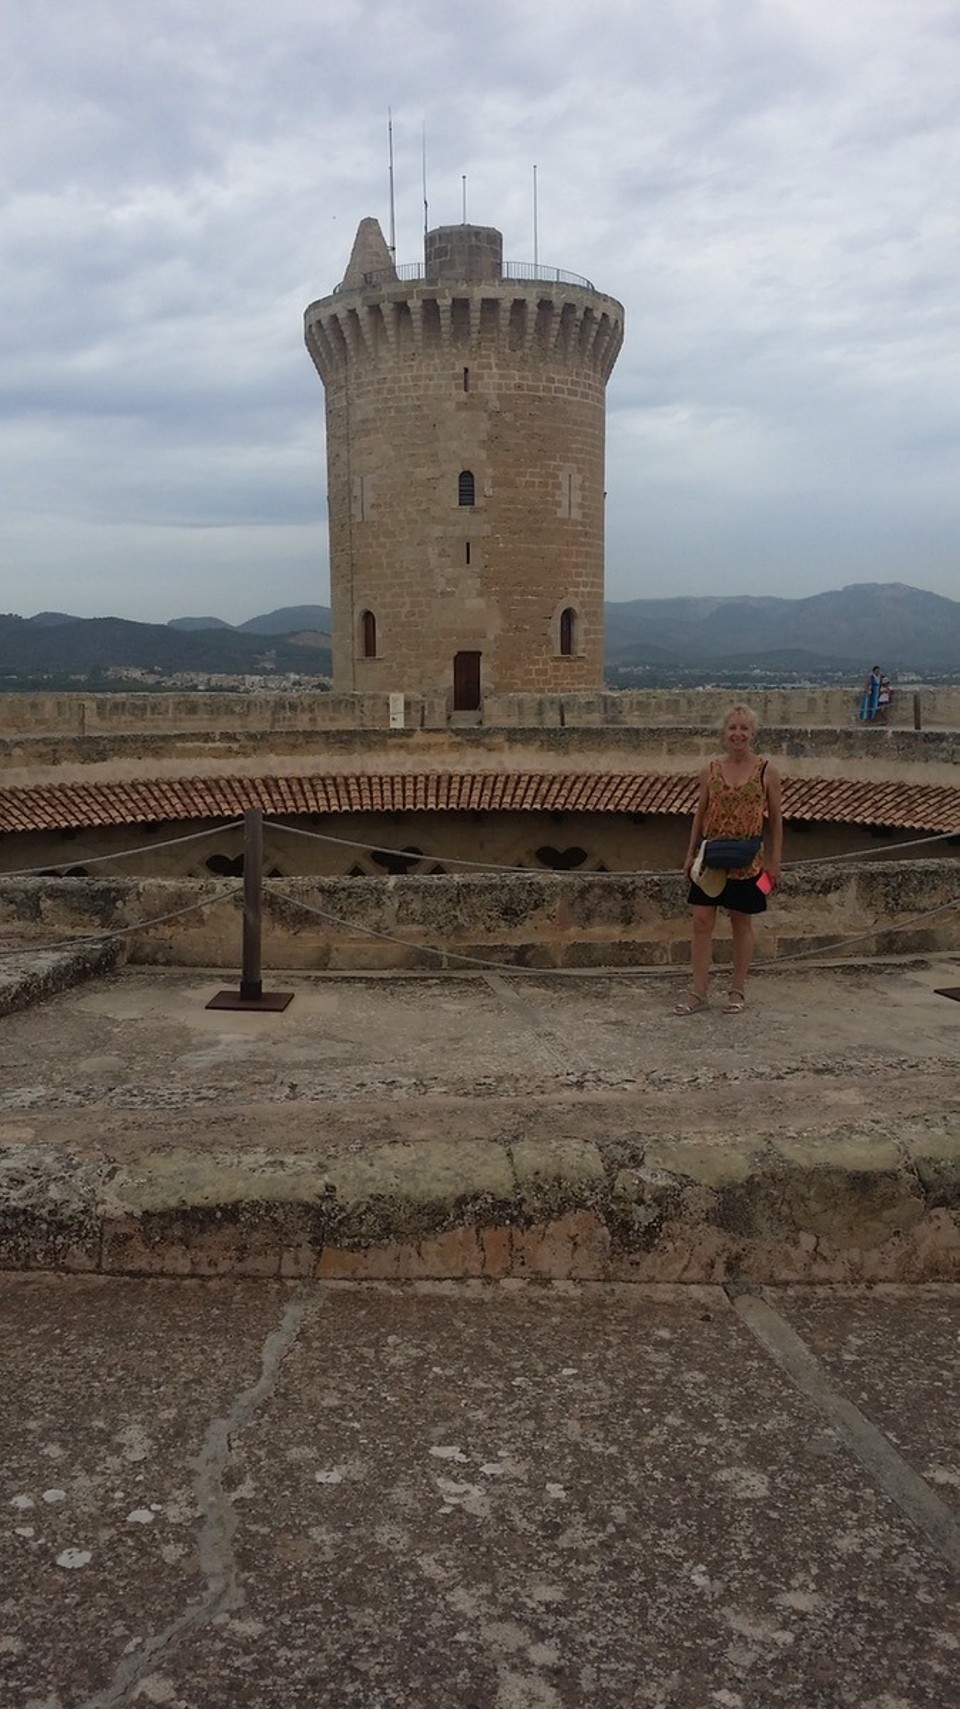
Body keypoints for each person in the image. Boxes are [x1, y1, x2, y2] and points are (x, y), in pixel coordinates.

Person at [673, 705, 783, 1015]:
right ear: (724, 733)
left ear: (753, 734)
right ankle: (698, 991)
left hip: (748, 860)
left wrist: (775, 861)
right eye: (732, 728)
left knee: (741, 922)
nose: (738, 734)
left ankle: (737, 990)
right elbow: (700, 813)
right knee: (701, 921)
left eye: (744, 728)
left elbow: (776, 819)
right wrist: (690, 853)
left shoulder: (767, 771)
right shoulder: (710, 769)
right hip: (712, 856)